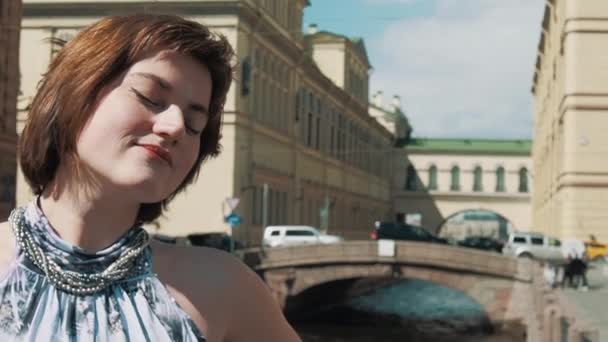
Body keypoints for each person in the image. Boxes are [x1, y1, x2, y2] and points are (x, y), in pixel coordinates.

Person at [0, 14, 301, 341]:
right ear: (75, 91)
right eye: (149, 96)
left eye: (193, 123)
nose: (174, 127)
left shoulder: (223, 287)